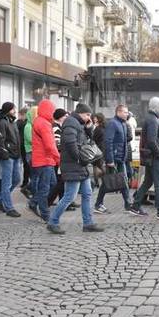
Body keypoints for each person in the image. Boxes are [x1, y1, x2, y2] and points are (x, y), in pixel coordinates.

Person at [47, 103, 105, 234]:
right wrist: (79, 158)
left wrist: (89, 127)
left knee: (87, 193)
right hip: (73, 164)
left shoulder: (79, 123)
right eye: (87, 115)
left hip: (80, 165)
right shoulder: (71, 122)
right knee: (69, 196)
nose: (89, 117)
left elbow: (88, 138)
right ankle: (53, 221)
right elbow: (70, 142)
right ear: (80, 113)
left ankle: (88, 223)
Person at [133, 97, 159, 220]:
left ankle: (135, 206)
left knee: (148, 182)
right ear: (157, 107)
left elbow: (153, 140)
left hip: (150, 157)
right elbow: (152, 141)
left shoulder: (151, 118)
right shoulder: (153, 120)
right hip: (154, 158)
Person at [28, 99, 60, 222]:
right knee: (45, 188)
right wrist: (58, 158)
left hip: (43, 160)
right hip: (45, 160)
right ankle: (45, 214)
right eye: (52, 110)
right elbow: (49, 145)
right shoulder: (44, 124)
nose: (53, 113)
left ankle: (34, 202)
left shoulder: (39, 121)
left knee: (51, 184)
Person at [98, 105, 132, 213]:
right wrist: (110, 160)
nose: (127, 114)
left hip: (120, 158)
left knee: (123, 180)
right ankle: (98, 204)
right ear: (118, 112)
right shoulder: (113, 123)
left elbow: (124, 141)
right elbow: (108, 142)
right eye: (125, 112)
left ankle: (128, 204)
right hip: (114, 159)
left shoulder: (123, 124)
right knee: (108, 181)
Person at [0, 102, 22, 218]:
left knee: (16, 179)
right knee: (7, 182)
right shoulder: (2, 122)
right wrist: (5, 153)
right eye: (13, 108)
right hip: (7, 157)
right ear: (8, 110)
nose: (15, 110)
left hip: (14, 155)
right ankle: (9, 207)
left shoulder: (12, 122)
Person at [47, 108, 68, 208]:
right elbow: (57, 144)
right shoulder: (55, 128)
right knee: (59, 181)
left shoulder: (58, 126)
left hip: (58, 158)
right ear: (60, 117)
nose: (66, 118)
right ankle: (49, 201)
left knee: (60, 181)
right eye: (65, 116)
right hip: (57, 158)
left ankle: (61, 201)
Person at [23, 106, 38, 201]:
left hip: (34, 152)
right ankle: (30, 190)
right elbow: (30, 139)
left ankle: (31, 191)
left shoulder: (33, 125)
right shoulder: (28, 126)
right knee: (34, 175)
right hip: (30, 153)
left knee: (36, 175)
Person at [17, 108, 31, 199]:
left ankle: (25, 183)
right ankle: (26, 183)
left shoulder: (18, 123)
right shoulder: (24, 124)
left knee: (26, 166)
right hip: (24, 147)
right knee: (27, 166)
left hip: (21, 146)